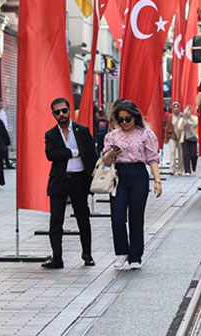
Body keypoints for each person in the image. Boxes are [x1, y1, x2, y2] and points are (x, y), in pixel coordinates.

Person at [101, 99, 163, 270]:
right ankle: (121, 253)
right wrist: (112, 154)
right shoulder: (112, 136)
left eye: (128, 119)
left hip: (138, 175)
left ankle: (135, 256)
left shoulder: (145, 135)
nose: (125, 122)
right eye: (121, 119)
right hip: (119, 175)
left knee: (136, 217)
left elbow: (152, 159)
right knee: (117, 217)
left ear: (135, 117)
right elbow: (105, 161)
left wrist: (157, 181)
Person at [42, 97, 96, 269]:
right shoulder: (50, 134)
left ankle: (87, 254)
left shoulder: (82, 130)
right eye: (57, 112)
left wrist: (92, 180)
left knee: (82, 218)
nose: (61, 114)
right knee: (56, 221)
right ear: (53, 114)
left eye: (64, 110)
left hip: (79, 179)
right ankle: (57, 257)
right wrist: (71, 152)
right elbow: (50, 155)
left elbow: (91, 155)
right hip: (59, 180)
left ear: (69, 111)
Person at [180, 106, 199, 174]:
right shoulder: (182, 119)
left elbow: (195, 124)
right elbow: (179, 127)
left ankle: (194, 167)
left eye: (188, 110)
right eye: (186, 110)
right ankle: (187, 170)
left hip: (192, 137)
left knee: (193, 154)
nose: (187, 112)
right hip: (185, 138)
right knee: (186, 155)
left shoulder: (194, 118)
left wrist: (190, 118)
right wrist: (183, 119)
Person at [165, 102, 182, 174]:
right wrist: (166, 137)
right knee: (172, 152)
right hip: (172, 136)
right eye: (174, 107)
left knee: (181, 153)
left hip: (181, 137)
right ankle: (172, 168)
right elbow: (167, 127)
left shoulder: (182, 116)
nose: (176, 109)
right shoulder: (170, 117)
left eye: (177, 107)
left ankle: (180, 169)